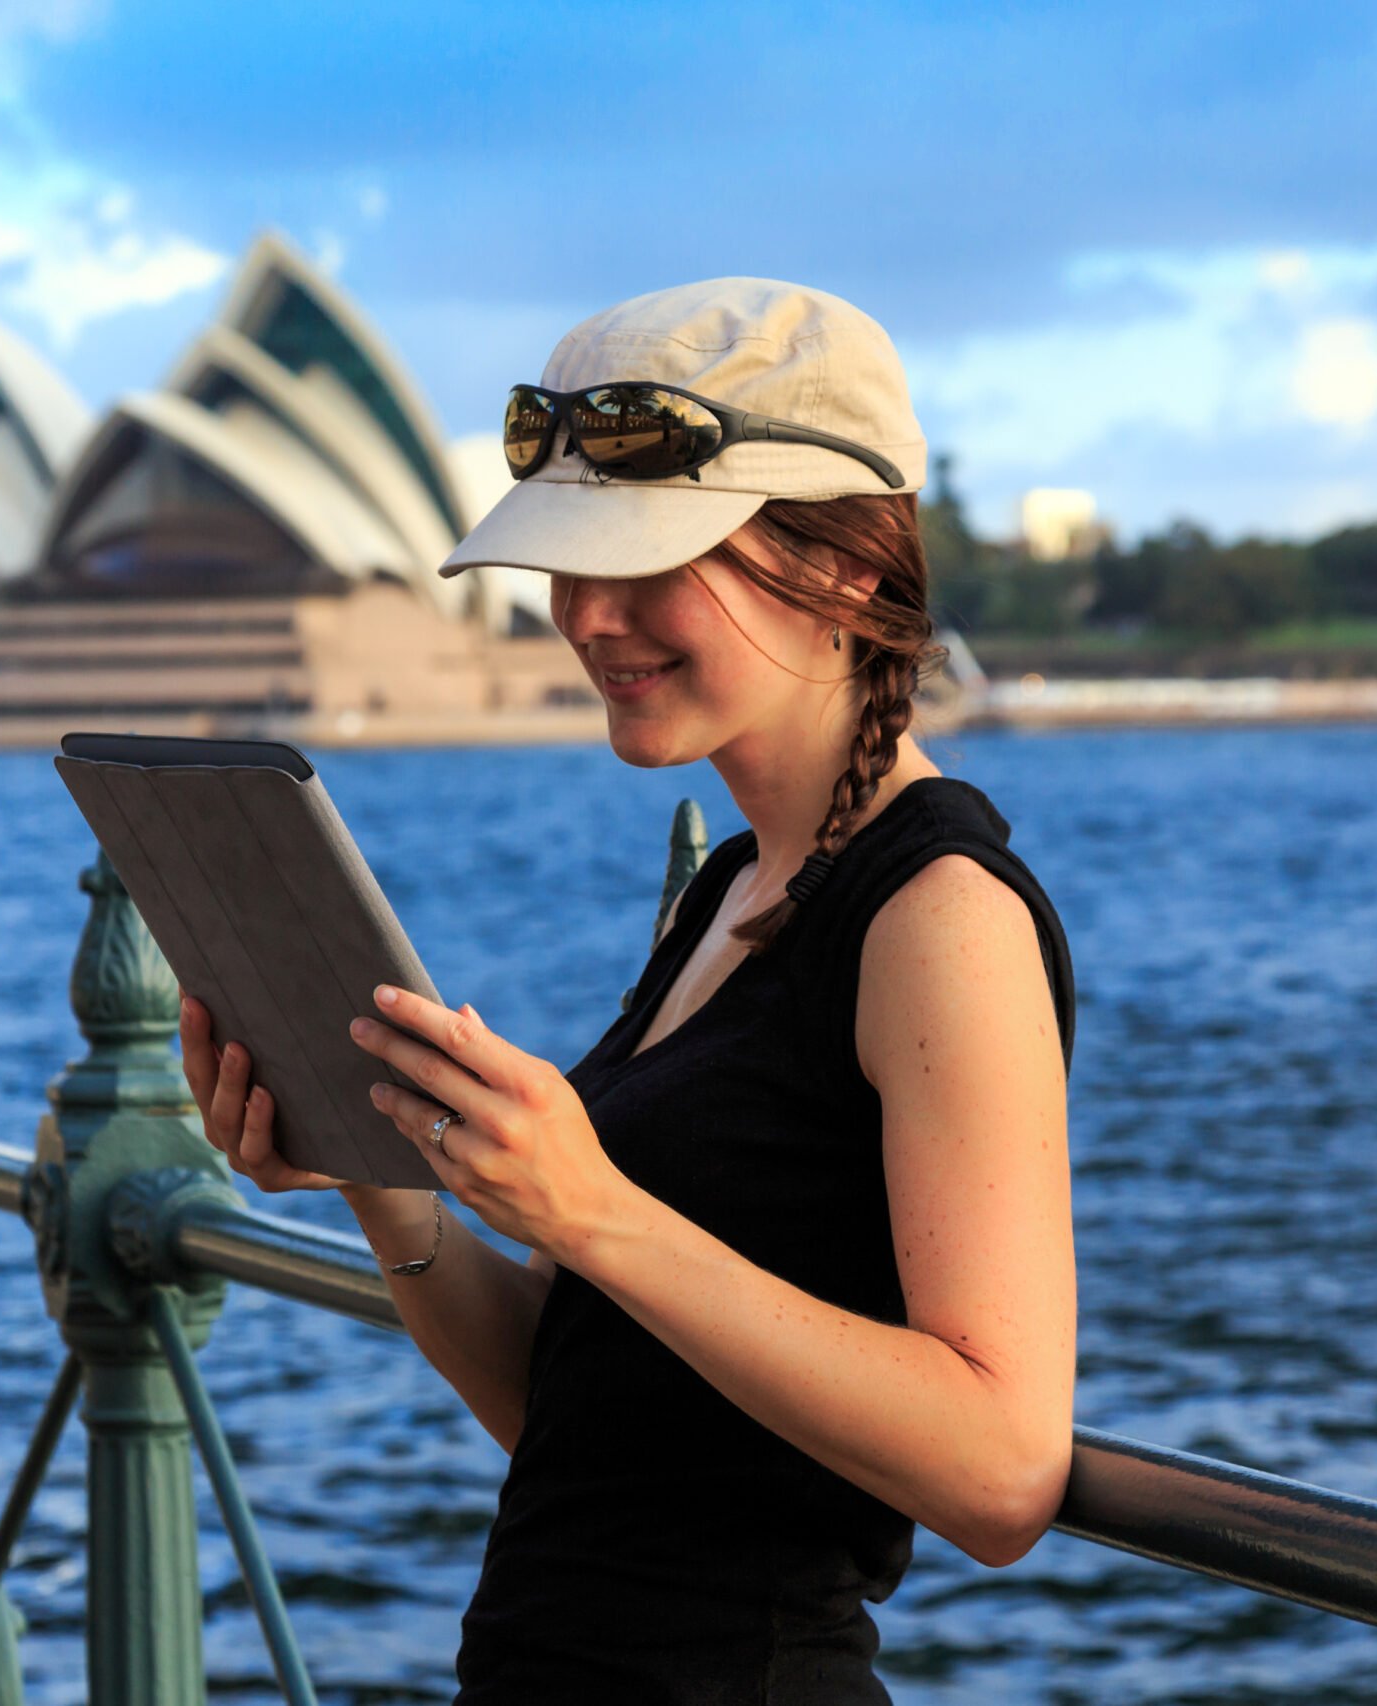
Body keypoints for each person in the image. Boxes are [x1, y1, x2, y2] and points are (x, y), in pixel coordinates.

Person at [175, 278, 1078, 1704]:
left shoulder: (940, 915)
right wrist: (381, 1173)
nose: (588, 617)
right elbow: (572, 1410)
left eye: (645, 561)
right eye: (565, 566)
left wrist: (591, 1208)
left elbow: (1006, 1467)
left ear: (842, 569)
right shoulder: (734, 890)